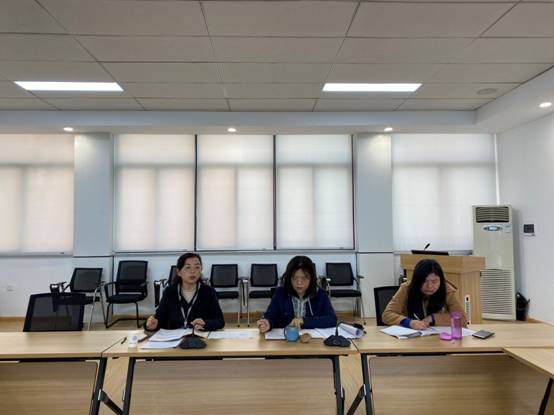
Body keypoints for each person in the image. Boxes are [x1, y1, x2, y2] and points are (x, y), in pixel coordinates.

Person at [257, 255, 337, 333]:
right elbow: (270, 316)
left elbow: (332, 319)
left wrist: (304, 321)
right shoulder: (280, 293)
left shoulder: (320, 294)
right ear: (289, 278)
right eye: (294, 278)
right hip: (286, 339)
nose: (299, 283)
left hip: (311, 339)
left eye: (304, 278)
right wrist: (267, 323)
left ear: (311, 278)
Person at [146, 253, 224, 331]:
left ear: (201, 270)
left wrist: (206, 323)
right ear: (179, 272)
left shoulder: (208, 292)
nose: (193, 271)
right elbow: (159, 319)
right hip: (175, 337)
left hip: (199, 335)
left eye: (197, 267)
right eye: (188, 267)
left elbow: (220, 321)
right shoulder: (169, 292)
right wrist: (152, 325)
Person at [382, 259, 467, 329]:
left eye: (434, 281)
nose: (429, 286)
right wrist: (409, 322)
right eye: (424, 281)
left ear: (441, 280)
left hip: (439, 339)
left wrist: (434, 318)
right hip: (411, 338)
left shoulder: (447, 290)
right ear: (416, 281)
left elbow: (462, 319)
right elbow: (387, 314)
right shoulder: (407, 288)